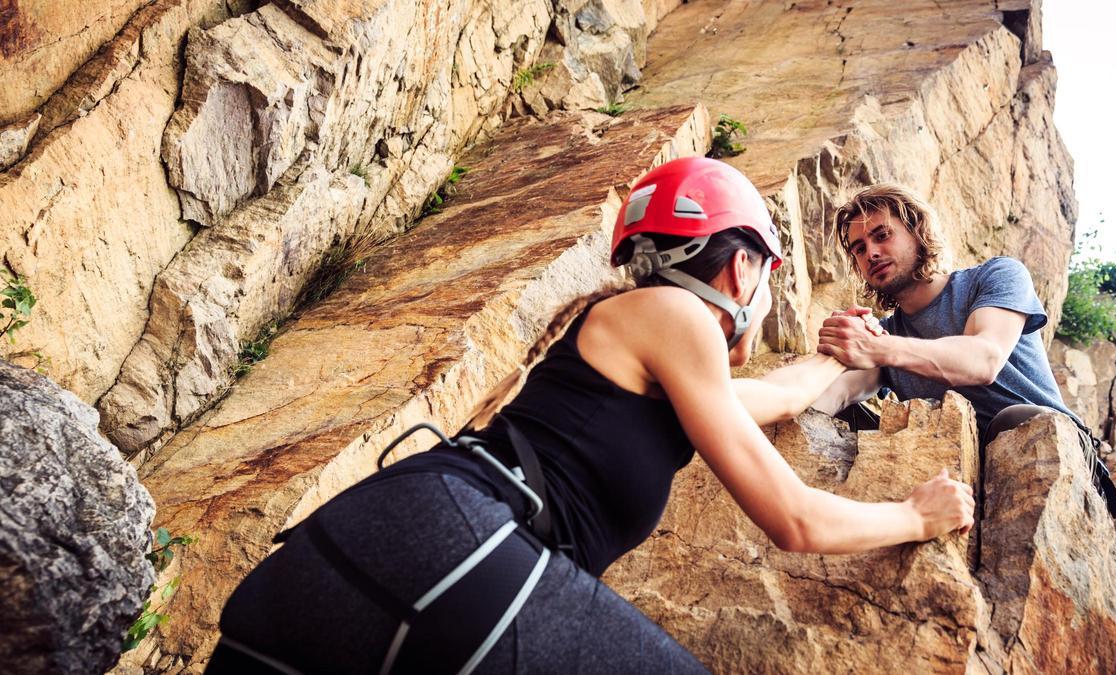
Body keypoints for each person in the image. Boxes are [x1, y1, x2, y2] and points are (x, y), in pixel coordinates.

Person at [205, 158, 975, 675]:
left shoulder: (641, 346)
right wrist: (914, 514)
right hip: (447, 552)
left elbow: (770, 399)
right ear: (743, 265)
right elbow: (795, 520)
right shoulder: (675, 317)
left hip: (340, 568)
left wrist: (844, 354)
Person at [809, 182, 1116, 515]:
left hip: (1054, 452)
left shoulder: (994, 276)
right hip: (960, 471)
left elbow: (982, 360)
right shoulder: (886, 336)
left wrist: (878, 347)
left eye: (882, 235)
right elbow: (834, 394)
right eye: (859, 248)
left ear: (917, 231)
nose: (871, 253)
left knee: (1015, 420)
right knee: (845, 420)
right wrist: (830, 356)